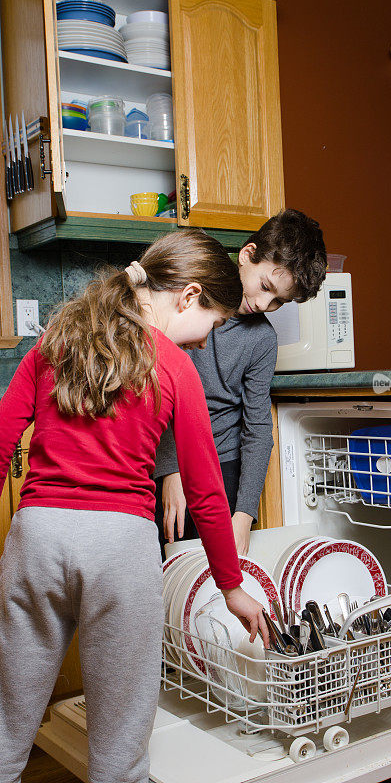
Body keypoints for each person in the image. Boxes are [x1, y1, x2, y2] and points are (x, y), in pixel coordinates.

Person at [0, 230, 269, 783]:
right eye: (213, 323)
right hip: (120, 549)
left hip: (38, 537)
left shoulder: (57, 338)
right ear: (188, 296)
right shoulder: (174, 366)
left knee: (7, 721)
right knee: (120, 749)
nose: (204, 342)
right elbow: (207, 492)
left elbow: (2, 439)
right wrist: (231, 585)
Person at [155, 209, 327, 557]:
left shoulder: (262, 340)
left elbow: (258, 428)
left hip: (223, 462)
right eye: (265, 287)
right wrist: (172, 471)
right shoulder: (190, 301)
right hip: (169, 452)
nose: (264, 304)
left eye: (279, 300)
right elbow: (163, 391)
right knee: (168, 563)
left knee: (217, 568)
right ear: (246, 256)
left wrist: (244, 514)